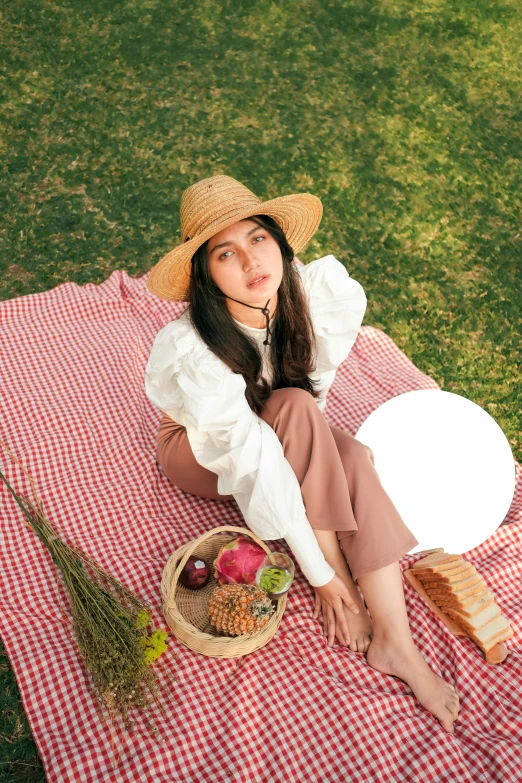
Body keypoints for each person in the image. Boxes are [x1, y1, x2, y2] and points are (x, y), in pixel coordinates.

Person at [144, 174, 460, 733]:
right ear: (208, 276)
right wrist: (324, 577)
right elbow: (256, 461)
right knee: (292, 408)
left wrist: (313, 443)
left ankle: (396, 642)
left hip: (282, 418)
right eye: (226, 253)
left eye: (258, 239)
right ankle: (349, 589)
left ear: (280, 245)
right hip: (202, 450)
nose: (250, 260)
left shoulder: (306, 295)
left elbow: (309, 395)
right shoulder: (197, 349)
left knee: (355, 456)